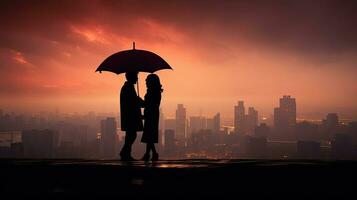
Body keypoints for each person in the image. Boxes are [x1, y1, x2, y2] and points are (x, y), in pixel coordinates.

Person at [119, 71, 144, 161]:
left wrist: (139, 101)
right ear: (132, 77)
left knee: (130, 135)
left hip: (129, 116)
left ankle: (126, 153)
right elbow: (133, 101)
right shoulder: (128, 88)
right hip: (130, 116)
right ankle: (125, 152)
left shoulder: (128, 87)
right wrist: (141, 102)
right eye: (136, 76)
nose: (137, 79)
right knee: (131, 135)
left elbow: (133, 100)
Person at [141, 74, 162, 161]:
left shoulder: (152, 92)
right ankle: (150, 154)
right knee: (149, 135)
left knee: (149, 135)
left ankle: (150, 154)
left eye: (147, 80)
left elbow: (149, 104)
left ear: (151, 82)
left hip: (151, 114)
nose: (145, 82)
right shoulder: (155, 92)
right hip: (152, 114)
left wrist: (141, 102)